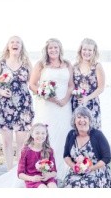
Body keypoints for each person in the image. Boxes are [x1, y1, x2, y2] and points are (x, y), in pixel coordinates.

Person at [30, 39, 74, 180]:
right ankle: (43, 168)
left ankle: (62, 171)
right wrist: (45, 95)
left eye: (55, 47)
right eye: (50, 48)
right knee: (46, 135)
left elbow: (71, 85)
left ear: (60, 49)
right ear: (46, 50)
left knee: (63, 133)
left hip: (64, 106)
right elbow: (32, 84)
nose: (53, 50)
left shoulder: (67, 64)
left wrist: (65, 99)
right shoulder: (41, 65)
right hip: (47, 106)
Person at [0, 36, 34, 170]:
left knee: (21, 143)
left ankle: (19, 171)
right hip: (4, 106)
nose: (15, 44)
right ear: (8, 46)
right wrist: (1, 92)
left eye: (18, 42)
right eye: (12, 42)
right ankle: (9, 170)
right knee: (7, 142)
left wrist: (45, 93)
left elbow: (32, 84)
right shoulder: (1, 63)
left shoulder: (27, 64)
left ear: (21, 46)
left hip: (23, 106)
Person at [63, 106, 111, 188]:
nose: (82, 120)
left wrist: (91, 168)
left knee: (85, 185)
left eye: (85, 117)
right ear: (74, 121)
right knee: (69, 185)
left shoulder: (98, 135)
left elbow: (107, 158)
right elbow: (66, 155)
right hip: (77, 171)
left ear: (89, 121)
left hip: (96, 170)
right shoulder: (71, 134)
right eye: (78, 117)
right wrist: (74, 166)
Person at [71, 39, 106, 129]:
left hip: (92, 104)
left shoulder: (97, 66)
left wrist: (87, 98)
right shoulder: (75, 66)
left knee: (92, 131)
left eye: (90, 50)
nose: (87, 52)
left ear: (94, 52)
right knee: (77, 131)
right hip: (77, 104)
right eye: (84, 49)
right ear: (80, 51)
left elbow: (101, 88)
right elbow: (71, 86)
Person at [18, 123, 59, 188]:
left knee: (53, 187)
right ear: (32, 134)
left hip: (47, 178)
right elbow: (20, 174)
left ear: (46, 135)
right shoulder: (26, 151)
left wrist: (48, 175)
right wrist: (32, 178)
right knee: (42, 187)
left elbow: (54, 172)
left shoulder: (49, 150)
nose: (40, 136)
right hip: (33, 180)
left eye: (43, 133)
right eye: (37, 133)